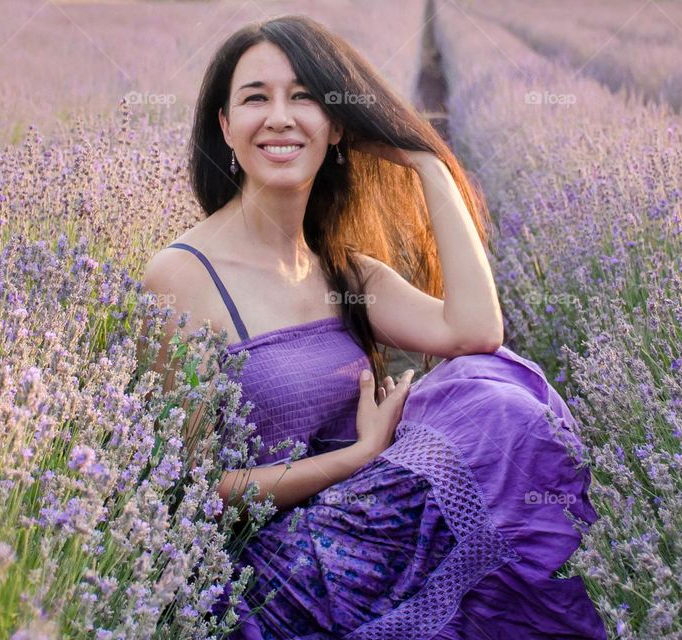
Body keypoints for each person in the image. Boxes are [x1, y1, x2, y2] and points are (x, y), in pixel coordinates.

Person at [141, 14, 607, 639]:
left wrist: (426, 163)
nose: (279, 117)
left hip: (368, 523)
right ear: (226, 128)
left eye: (303, 97)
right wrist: (360, 456)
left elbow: (476, 333)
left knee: (491, 396)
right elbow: (190, 490)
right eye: (256, 98)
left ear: (335, 128)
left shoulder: (346, 274)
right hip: (271, 575)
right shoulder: (181, 277)